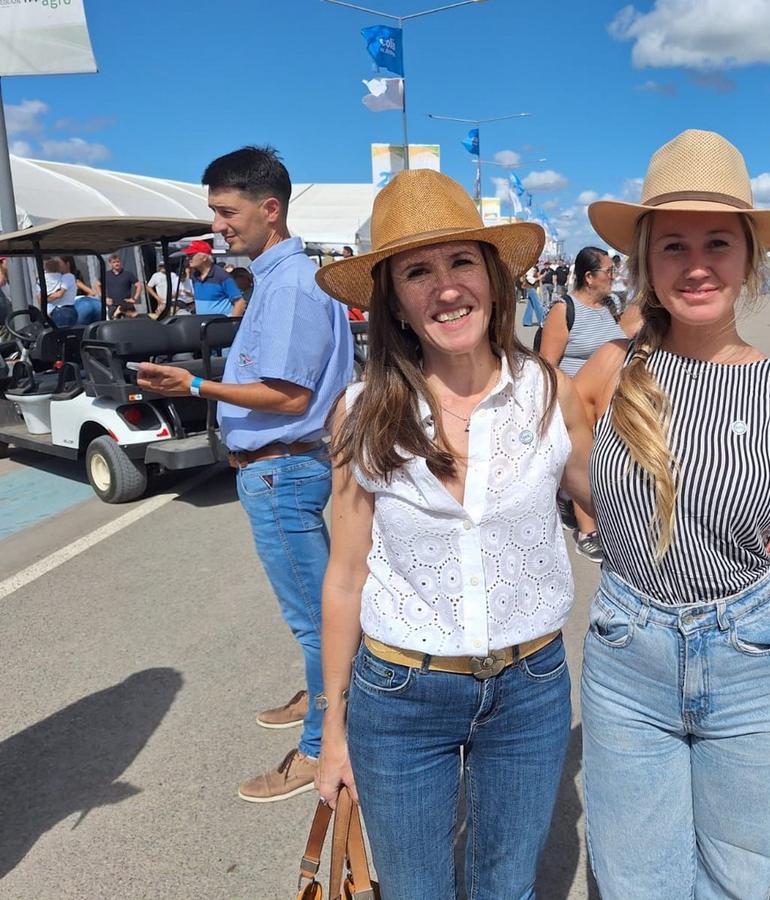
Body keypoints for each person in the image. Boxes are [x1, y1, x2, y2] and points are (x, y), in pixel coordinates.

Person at [577, 129, 770, 899]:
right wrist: (591, 524)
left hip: (754, 661)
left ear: (748, 260)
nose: (696, 265)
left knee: (740, 881)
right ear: (645, 261)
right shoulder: (607, 373)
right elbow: (539, 463)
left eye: (717, 244)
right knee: (637, 884)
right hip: (627, 662)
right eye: (673, 245)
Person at [311, 168, 594, 899]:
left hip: (530, 688)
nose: (445, 288)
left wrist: (745, 538)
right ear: (394, 302)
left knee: (508, 888)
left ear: (494, 279)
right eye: (417, 272)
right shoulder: (362, 412)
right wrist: (332, 727)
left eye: (462, 261)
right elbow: (345, 576)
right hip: (400, 693)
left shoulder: (549, 394)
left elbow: (609, 509)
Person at [135, 146, 354, 803]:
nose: (218, 226)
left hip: (281, 469)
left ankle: (320, 746)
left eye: (226, 212)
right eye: (215, 212)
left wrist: (193, 384)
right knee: (315, 611)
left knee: (317, 620)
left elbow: (287, 396)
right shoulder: (286, 277)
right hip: (284, 466)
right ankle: (320, 697)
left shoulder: (289, 286)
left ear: (270, 209)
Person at [538, 246, 641, 564]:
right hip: (575, 404)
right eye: (608, 272)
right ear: (589, 277)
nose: (613, 276)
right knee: (588, 463)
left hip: (609, 403)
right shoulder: (564, 309)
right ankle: (587, 532)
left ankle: (571, 498)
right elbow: (546, 365)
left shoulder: (610, 307)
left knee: (608, 463)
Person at [181, 240, 245, 317]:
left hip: (220, 323)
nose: (188, 258)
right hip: (202, 322)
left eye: (191, 255)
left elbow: (239, 302)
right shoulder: (195, 276)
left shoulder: (222, 276)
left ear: (204, 257)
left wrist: (232, 322)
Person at [42, 257, 78, 327]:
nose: (57, 265)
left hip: (63, 310)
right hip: (63, 310)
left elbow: (59, 294)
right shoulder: (61, 277)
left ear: (67, 264)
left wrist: (45, 300)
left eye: (59, 263)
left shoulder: (68, 276)